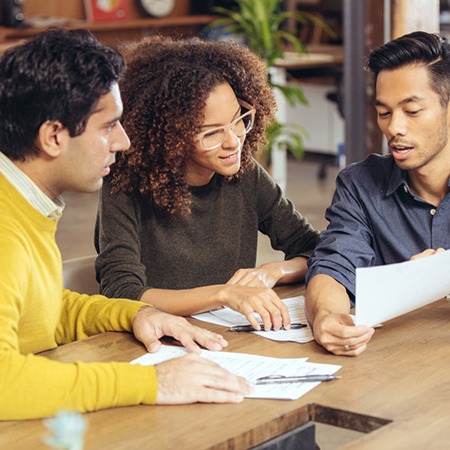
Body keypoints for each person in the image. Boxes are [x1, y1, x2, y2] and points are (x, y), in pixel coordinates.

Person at [0, 28, 252, 421]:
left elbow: (38, 308)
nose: (124, 141)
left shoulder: (23, 203)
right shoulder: (4, 234)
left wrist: (134, 313)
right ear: (53, 136)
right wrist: (153, 384)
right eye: (107, 127)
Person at [95, 36, 319, 332]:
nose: (234, 141)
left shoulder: (244, 174)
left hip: (226, 336)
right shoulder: (126, 183)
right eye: (211, 133)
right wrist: (223, 294)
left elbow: (316, 249)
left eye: (238, 119)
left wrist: (273, 271)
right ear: (170, 139)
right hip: (157, 340)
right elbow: (122, 293)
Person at [305, 31, 450, 356]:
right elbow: (333, 264)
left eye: (412, 111)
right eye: (384, 112)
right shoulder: (360, 184)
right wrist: (326, 318)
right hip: (392, 373)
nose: (394, 128)